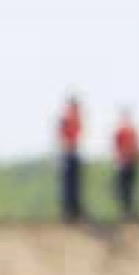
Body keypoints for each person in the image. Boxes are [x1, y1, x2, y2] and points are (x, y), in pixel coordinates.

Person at [113, 109, 139, 222]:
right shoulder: (120, 131)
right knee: (123, 189)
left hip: (131, 162)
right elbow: (117, 147)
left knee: (131, 188)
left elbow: (137, 145)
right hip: (123, 162)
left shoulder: (132, 131)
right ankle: (125, 211)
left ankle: (130, 211)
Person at [59, 93, 86, 224]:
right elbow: (62, 136)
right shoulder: (66, 118)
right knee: (68, 185)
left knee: (76, 184)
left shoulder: (76, 118)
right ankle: (68, 212)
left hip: (74, 152)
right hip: (67, 152)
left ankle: (75, 211)